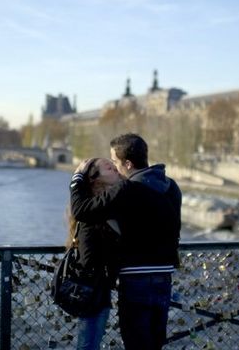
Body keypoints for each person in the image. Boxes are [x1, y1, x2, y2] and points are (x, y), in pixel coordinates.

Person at [70, 133, 182, 350]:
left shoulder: (127, 189)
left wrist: (78, 179)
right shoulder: (172, 187)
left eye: (114, 162)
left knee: (136, 343)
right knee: (154, 343)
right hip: (164, 277)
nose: (113, 166)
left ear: (128, 164)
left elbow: (81, 211)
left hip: (135, 278)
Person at [67, 158, 122, 350]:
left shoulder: (105, 206)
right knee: (88, 345)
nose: (115, 168)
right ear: (95, 179)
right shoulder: (92, 212)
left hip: (100, 291)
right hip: (93, 293)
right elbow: (89, 259)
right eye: (109, 167)